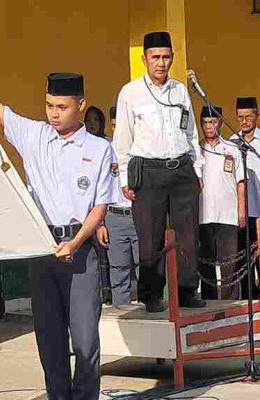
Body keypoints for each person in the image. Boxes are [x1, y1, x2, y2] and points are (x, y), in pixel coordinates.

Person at [0, 45, 117, 400]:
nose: (54, 114)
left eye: (62, 107)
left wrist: (76, 241)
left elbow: (99, 206)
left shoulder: (100, 149)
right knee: (49, 338)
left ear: (81, 105)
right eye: (49, 106)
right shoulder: (34, 135)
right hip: (41, 250)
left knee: (85, 341)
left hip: (80, 253)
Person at [113, 31, 206, 313]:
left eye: (166, 57)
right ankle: (151, 294)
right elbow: (123, 139)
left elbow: (190, 132)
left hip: (181, 168)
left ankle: (187, 291)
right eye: (155, 57)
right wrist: (125, 178)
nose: (161, 63)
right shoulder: (130, 92)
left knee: (187, 234)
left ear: (172, 59)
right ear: (144, 59)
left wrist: (197, 168)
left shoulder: (180, 90)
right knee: (150, 236)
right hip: (148, 171)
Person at [198, 106, 244, 300]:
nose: (210, 126)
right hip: (203, 216)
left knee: (229, 266)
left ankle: (231, 305)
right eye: (206, 123)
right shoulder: (195, 150)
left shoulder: (232, 149)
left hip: (228, 215)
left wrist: (241, 210)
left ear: (220, 123)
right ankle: (209, 306)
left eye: (213, 122)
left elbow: (240, 182)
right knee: (206, 266)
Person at [96, 106, 139, 305]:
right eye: (114, 124)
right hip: (114, 216)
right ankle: (122, 311)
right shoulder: (104, 150)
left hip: (139, 214)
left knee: (145, 266)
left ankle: (150, 313)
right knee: (118, 270)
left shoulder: (141, 149)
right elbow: (99, 188)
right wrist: (101, 223)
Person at [230, 97, 260, 300]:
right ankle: (249, 300)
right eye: (240, 117)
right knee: (243, 262)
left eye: (248, 116)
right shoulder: (232, 142)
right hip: (241, 214)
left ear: (257, 115)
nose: (244, 121)